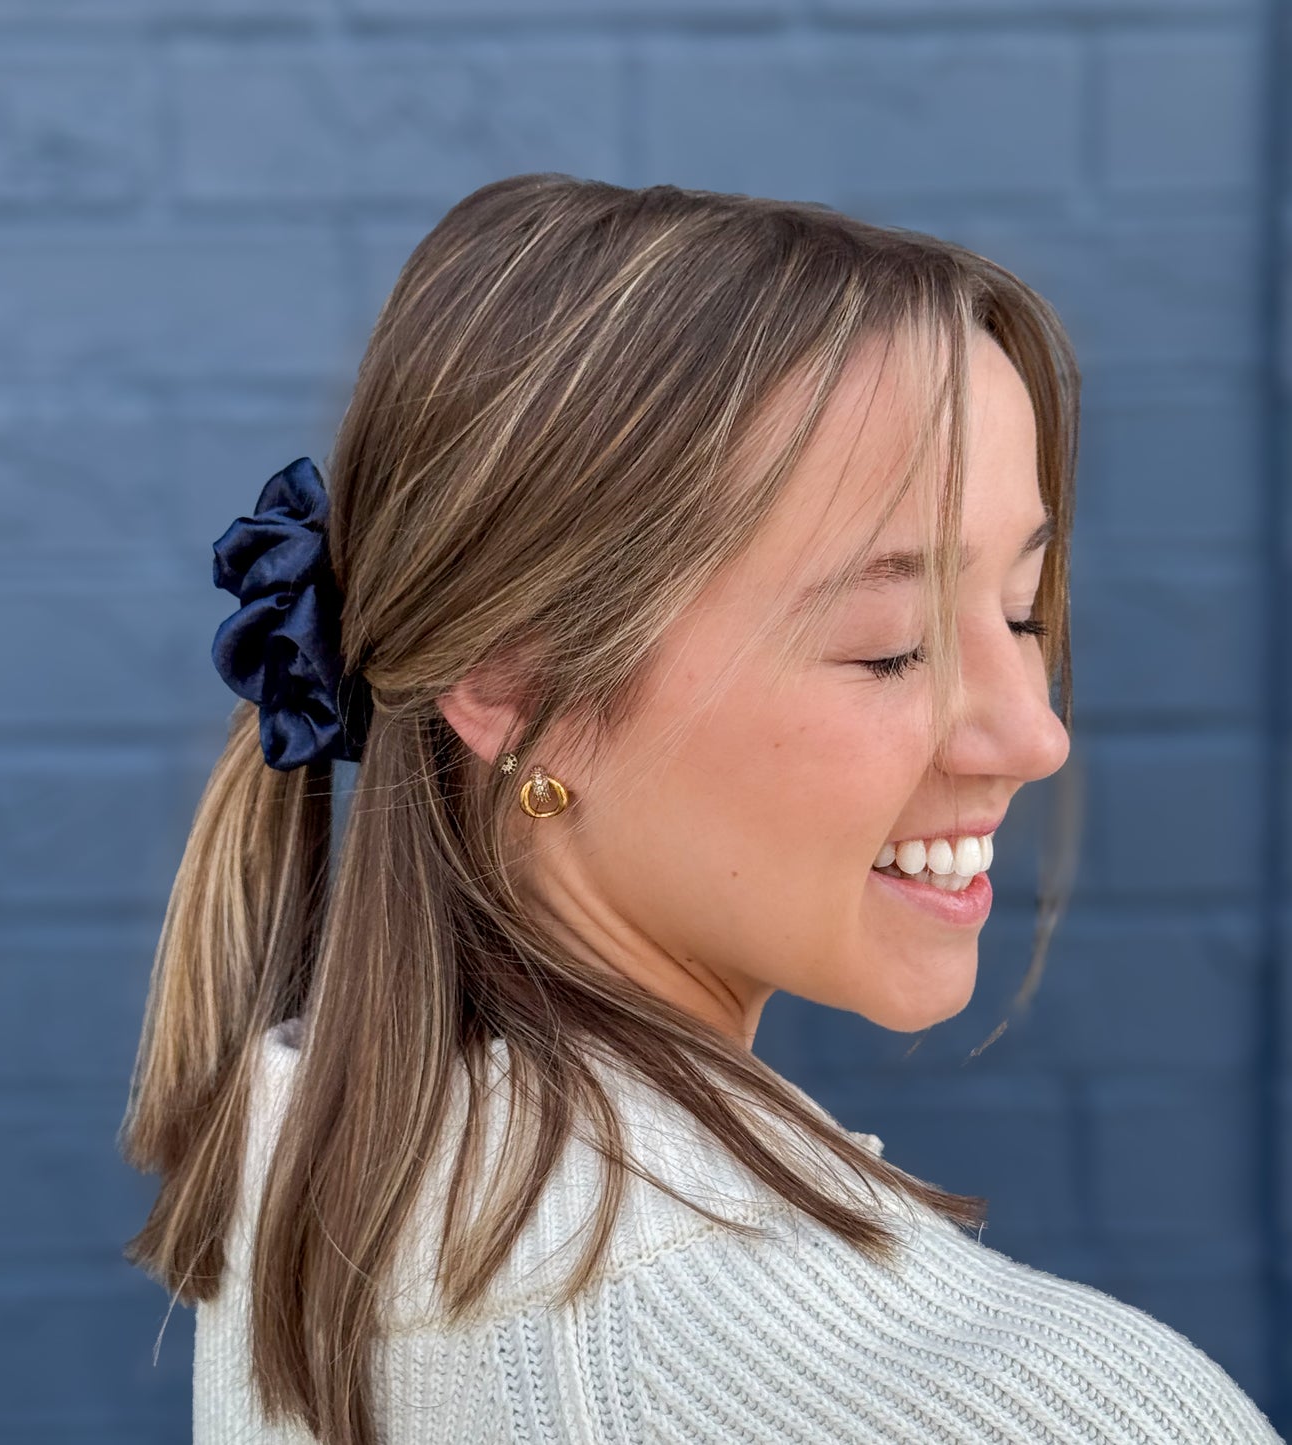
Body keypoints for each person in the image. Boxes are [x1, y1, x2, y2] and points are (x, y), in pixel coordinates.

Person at [118, 174, 1284, 1444]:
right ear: (514, 682)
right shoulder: (1041, 1409)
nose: (1033, 733)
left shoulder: (307, 1200)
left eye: (1020, 610)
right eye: (889, 645)